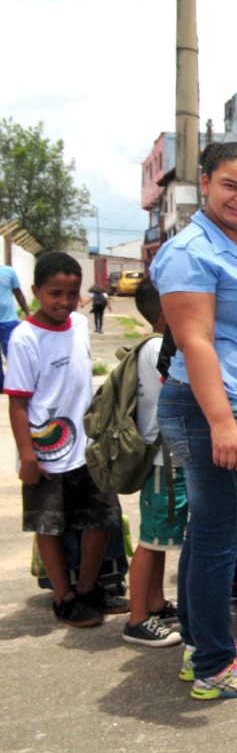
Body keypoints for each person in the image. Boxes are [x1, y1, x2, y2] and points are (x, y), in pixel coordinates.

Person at [150, 142, 237, 700]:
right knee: (219, 541)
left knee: (207, 535)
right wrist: (224, 420)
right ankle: (214, 664)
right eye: (230, 185)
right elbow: (196, 341)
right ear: (204, 182)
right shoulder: (191, 251)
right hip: (222, 405)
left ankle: (201, 645)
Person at [5, 251, 127, 627]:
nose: (64, 302)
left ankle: (89, 588)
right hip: (45, 452)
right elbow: (19, 403)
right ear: (35, 291)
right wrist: (27, 455)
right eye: (54, 293)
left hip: (88, 448)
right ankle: (64, 596)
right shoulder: (25, 337)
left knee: (101, 517)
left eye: (71, 294)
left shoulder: (78, 324)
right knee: (50, 525)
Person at [121, 279, 185, 647]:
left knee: (159, 539)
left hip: (168, 459)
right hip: (165, 462)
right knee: (150, 540)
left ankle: (155, 602)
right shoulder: (161, 347)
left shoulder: (155, 345)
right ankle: (137, 618)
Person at [0, 259, 31, 392]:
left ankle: (16, 384)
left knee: (13, 353)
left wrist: (27, 312)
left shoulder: (8, 271)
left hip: (8, 321)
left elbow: (18, 293)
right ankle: (1, 386)